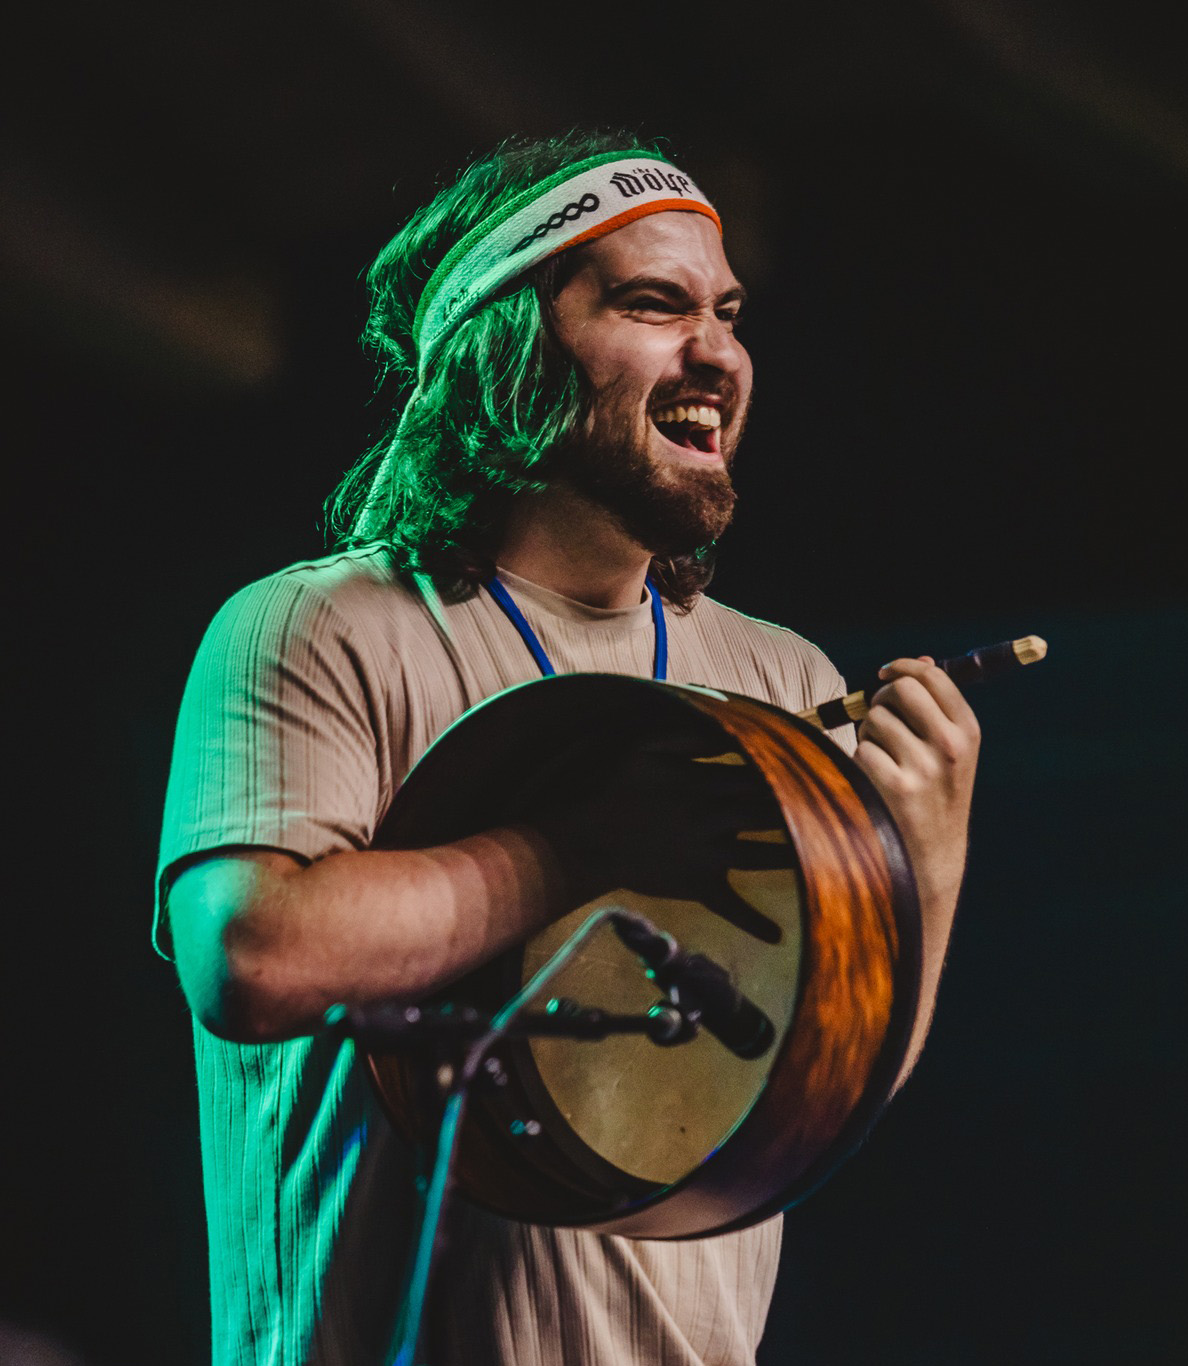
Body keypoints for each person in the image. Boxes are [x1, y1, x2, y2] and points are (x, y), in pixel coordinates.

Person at [156, 130, 980, 1366]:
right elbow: (254, 956)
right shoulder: (319, 625)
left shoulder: (781, 677)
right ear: (508, 346)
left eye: (728, 311)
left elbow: (811, 1093)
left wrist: (929, 858)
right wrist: (582, 851)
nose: (718, 351)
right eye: (653, 304)